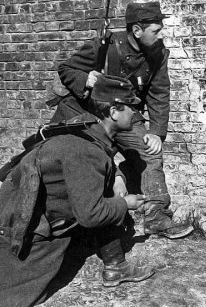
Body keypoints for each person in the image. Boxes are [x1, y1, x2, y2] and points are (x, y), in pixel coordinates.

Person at [0, 75, 156, 306]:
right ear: (113, 112)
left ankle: (115, 266)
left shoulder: (85, 125)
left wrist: (118, 178)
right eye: (131, 108)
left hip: (23, 210)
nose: (135, 113)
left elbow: (97, 163)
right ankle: (115, 267)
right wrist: (127, 203)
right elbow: (91, 214)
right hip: (24, 229)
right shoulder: (85, 150)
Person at [50, 1, 193, 239]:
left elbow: (159, 93)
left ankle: (156, 216)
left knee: (149, 151)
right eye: (156, 31)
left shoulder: (158, 55)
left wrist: (156, 132)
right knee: (82, 156)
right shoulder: (104, 47)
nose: (160, 36)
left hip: (125, 115)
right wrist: (87, 79)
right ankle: (77, 217)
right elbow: (66, 69)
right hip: (90, 112)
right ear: (137, 31)